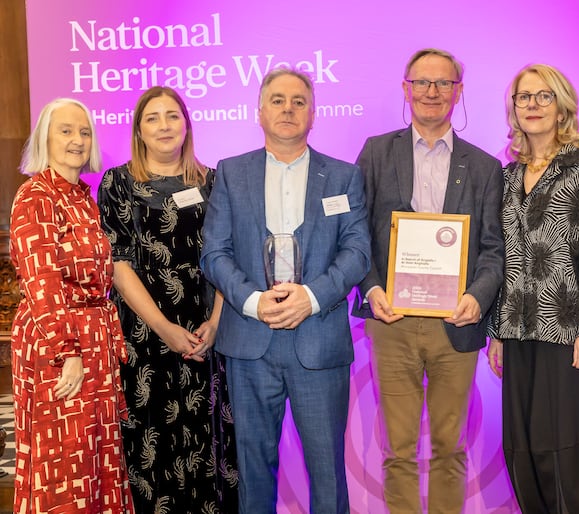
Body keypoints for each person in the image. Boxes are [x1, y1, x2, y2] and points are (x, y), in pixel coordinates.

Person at [200, 68, 371, 514]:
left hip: (319, 341)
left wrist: (310, 298)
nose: (288, 109)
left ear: (314, 113)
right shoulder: (231, 174)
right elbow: (214, 253)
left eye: (298, 101)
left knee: (328, 472)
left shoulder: (344, 176)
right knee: (253, 471)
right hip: (249, 343)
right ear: (259, 111)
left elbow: (357, 253)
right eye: (277, 100)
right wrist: (253, 302)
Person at [354, 48, 504, 513]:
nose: (432, 92)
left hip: (455, 324)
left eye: (443, 84)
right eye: (422, 83)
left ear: (459, 92)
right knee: (397, 450)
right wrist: (372, 286)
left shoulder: (484, 167)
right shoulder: (377, 152)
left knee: (449, 448)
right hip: (391, 320)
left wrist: (478, 298)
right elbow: (355, 233)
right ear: (406, 89)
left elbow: (495, 249)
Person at [486, 64, 579, 513]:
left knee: (571, 450)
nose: (532, 105)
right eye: (523, 97)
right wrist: (497, 333)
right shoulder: (506, 177)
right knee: (525, 448)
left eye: (543, 96)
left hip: (570, 333)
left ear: (562, 105)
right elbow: (501, 257)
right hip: (518, 333)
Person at [96, 86, 238, 513]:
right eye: (153, 118)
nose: (163, 125)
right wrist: (164, 329)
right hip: (144, 338)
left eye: (172, 116)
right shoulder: (117, 182)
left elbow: (228, 257)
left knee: (208, 446)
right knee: (150, 447)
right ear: (139, 130)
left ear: (187, 125)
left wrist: (215, 323)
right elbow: (118, 264)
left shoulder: (215, 181)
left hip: (206, 336)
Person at [9, 98, 134, 513]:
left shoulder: (83, 197)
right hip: (57, 346)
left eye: (84, 131)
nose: (77, 140)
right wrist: (69, 352)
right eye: (65, 130)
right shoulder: (35, 196)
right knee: (62, 462)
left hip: (92, 342)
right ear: (45, 136)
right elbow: (42, 282)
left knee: (94, 458)